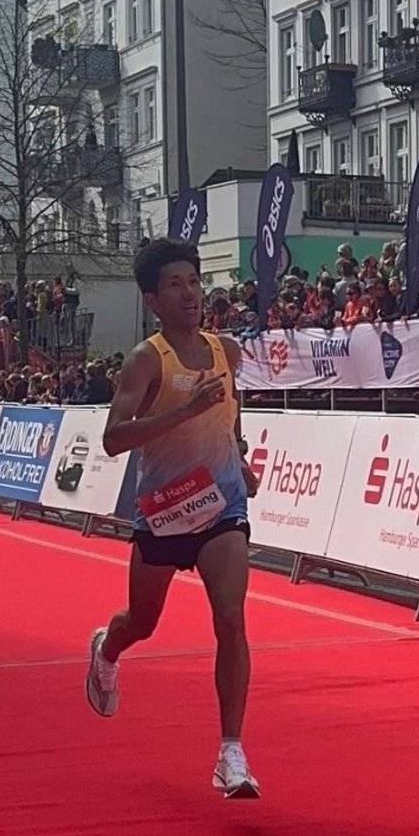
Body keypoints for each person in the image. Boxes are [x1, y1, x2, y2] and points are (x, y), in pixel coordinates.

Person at [86, 238, 262, 799]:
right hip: (164, 513)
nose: (190, 294)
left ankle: (230, 752)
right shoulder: (146, 359)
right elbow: (114, 439)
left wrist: (240, 459)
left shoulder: (226, 351)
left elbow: (229, 417)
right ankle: (107, 650)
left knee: (230, 619)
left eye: (194, 281)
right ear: (152, 299)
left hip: (221, 508)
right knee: (143, 622)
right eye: (175, 285)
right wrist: (184, 411)